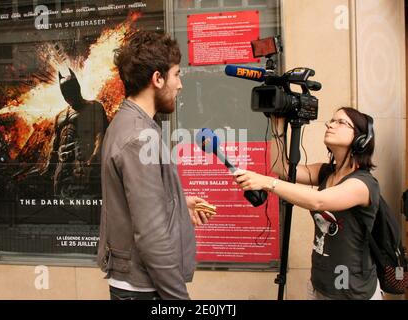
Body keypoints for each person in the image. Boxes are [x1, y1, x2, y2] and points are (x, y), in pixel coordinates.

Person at [97, 30, 212, 300]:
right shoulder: (138, 136)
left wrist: (177, 203)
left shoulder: (129, 123)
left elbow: (134, 204)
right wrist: (178, 299)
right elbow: (150, 235)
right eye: (176, 74)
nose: (180, 85)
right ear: (157, 79)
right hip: (143, 290)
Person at [233, 107, 382, 300]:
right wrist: (277, 125)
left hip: (352, 290)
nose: (330, 124)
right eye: (331, 120)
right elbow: (281, 168)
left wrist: (266, 182)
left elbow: (318, 201)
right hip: (320, 282)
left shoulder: (363, 184)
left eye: (341, 122)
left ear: (361, 138)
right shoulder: (326, 172)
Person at [50, 68, 109, 198]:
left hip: (83, 163)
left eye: (71, 90)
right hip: (63, 167)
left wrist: (95, 155)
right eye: (65, 92)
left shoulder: (94, 107)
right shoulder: (59, 116)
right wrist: (51, 166)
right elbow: (55, 146)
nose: (69, 95)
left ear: (78, 88)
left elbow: (101, 133)